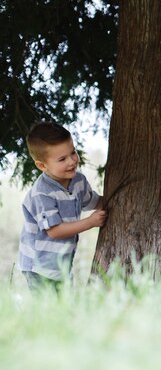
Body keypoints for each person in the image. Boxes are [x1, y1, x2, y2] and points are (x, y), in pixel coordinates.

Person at [17, 122, 107, 292]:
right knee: (48, 309)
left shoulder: (78, 181)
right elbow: (54, 231)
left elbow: (94, 201)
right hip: (39, 266)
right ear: (42, 166)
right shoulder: (42, 193)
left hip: (61, 263)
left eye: (73, 152)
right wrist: (90, 222)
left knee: (63, 304)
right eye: (62, 159)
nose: (72, 161)